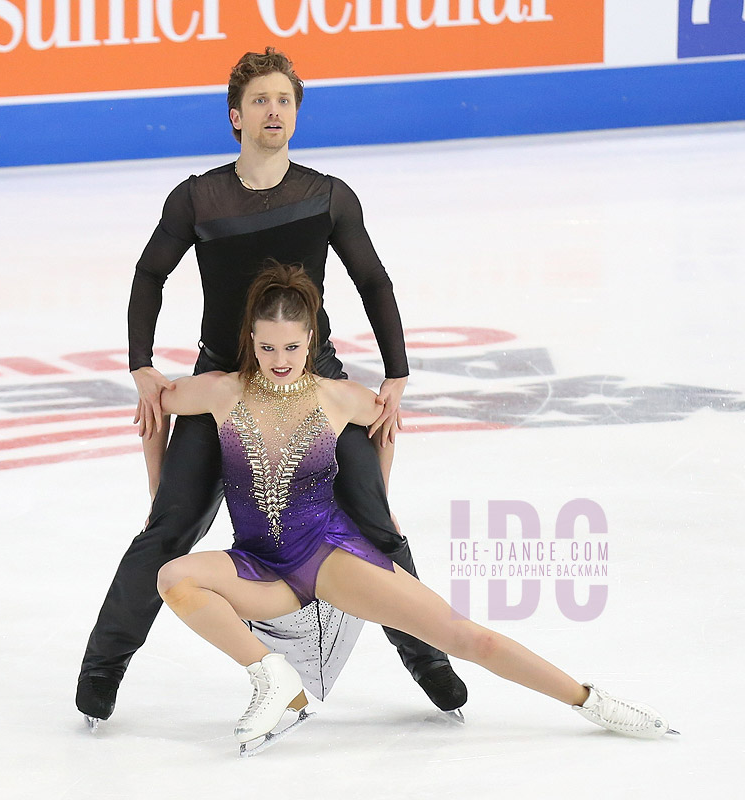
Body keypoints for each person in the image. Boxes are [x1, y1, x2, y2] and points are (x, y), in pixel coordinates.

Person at [76, 47, 466, 725]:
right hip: (223, 383)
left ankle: (427, 653)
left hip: (310, 380)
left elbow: (374, 281)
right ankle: (103, 664)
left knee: (374, 519)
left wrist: (397, 371)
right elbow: (149, 274)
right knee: (169, 527)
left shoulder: (327, 195)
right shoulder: (199, 196)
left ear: (296, 113)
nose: (273, 111)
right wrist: (141, 362)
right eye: (260, 100)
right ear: (236, 116)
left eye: (284, 100)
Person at [154, 263, 676, 755]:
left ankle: (593, 701)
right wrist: (158, 493)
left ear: (311, 338)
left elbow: (385, 428)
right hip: (259, 568)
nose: (281, 359)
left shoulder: (340, 398)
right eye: (268, 347)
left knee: (467, 638)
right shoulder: (221, 392)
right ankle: (273, 678)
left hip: (328, 558)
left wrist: (380, 506)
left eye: (292, 345)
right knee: (175, 577)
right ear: (250, 339)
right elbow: (154, 403)